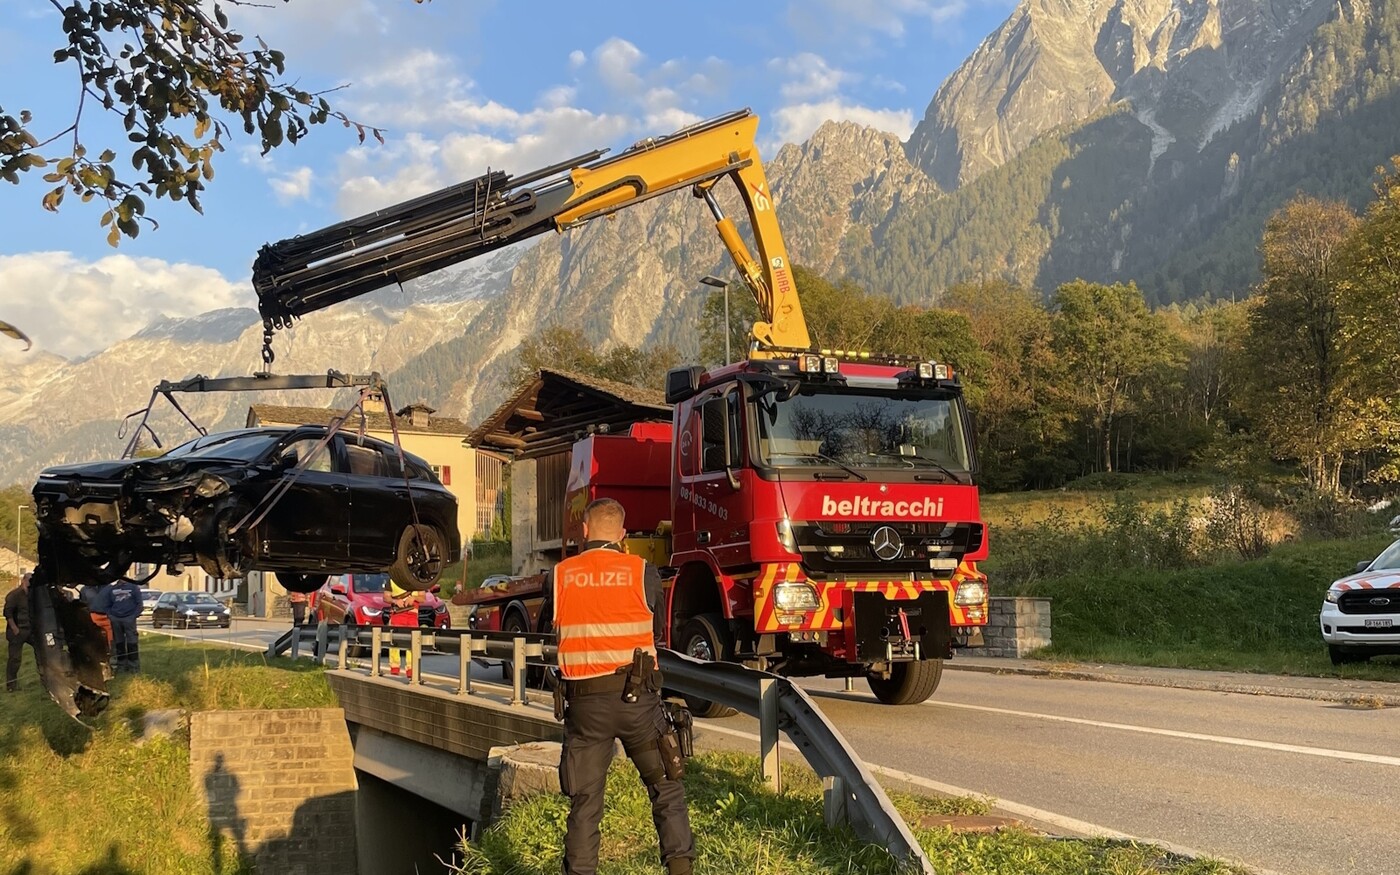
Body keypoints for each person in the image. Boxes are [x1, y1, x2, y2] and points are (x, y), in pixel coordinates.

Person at [553, 498, 694, 875]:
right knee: (666, 789)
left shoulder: (562, 575)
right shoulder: (642, 571)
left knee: (585, 805)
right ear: (622, 536)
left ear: (584, 530)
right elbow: (658, 629)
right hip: (639, 705)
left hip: (584, 709)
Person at [4, 572, 36, 692]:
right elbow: (8, 613)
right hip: (16, 631)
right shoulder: (14, 595)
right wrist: (14, 628)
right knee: (15, 659)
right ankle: (11, 686)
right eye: (29, 582)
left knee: (42, 650)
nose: (30, 585)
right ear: (24, 581)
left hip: (29, 629)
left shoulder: (32, 595)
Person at [383, 580, 419, 678]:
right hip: (398, 614)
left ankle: (411, 669)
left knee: (412, 643)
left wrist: (414, 598)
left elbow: (423, 597)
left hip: (412, 616)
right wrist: (395, 601)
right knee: (395, 641)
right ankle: (395, 668)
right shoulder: (392, 580)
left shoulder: (417, 579)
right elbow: (386, 597)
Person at [108, 577, 143, 673]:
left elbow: (139, 604)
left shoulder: (133, 587)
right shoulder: (112, 589)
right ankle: (121, 666)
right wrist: (111, 616)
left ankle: (134, 667)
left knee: (132, 643)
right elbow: (108, 604)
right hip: (116, 619)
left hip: (129, 619)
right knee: (119, 643)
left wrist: (133, 616)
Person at [81, 580, 114, 655]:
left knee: (110, 636)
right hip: (93, 616)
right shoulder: (85, 589)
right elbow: (83, 603)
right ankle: (96, 654)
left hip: (108, 616)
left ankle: (112, 653)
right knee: (94, 635)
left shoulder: (110, 588)